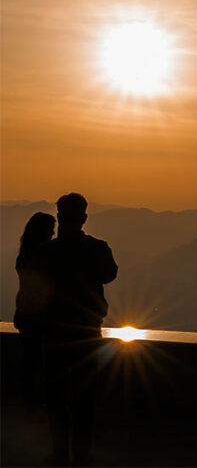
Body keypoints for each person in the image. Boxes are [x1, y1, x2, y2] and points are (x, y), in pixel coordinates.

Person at [39, 192, 118, 467]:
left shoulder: (46, 252)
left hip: (54, 333)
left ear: (59, 217)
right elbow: (110, 273)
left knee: (56, 398)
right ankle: (82, 455)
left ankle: (59, 453)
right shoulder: (97, 248)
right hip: (87, 332)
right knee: (84, 399)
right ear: (84, 218)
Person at [14, 211, 57, 407]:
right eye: (51, 230)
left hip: (24, 313)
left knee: (29, 361)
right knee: (40, 362)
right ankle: (35, 403)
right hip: (40, 316)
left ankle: (28, 402)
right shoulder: (44, 255)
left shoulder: (24, 254)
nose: (53, 234)